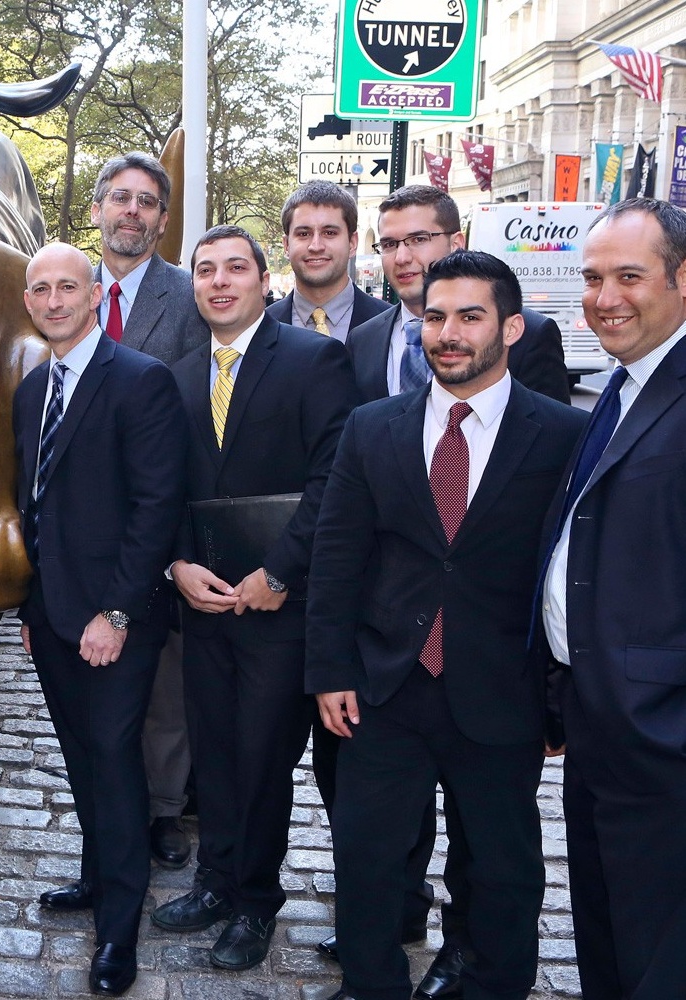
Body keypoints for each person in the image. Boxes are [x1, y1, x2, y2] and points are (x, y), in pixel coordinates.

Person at [307, 250, 586, 1000]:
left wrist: (558, 698)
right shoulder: (372, 428)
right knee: (366, 860)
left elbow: (568, 575)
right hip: (384, 687)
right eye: (435, 317)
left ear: (512, 327)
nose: (449, 333)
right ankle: (372, 985)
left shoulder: (561, 435)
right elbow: (338, 555)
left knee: (502, 866)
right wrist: (330, 669)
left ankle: (491, 983)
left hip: (500, 690)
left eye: (469, 316)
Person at [150, 225, 358, 972]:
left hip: (280, 606)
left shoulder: (314, 360)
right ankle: (214, 882)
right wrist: (175, 562)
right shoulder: (172, 377)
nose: (219, 281)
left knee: (264, 758)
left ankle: (254, 903)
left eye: (236, 268)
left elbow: (333, 484)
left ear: (264, 281)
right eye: (205, 270)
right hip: (204, 603)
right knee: (215, 752)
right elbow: (165, 487)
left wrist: (278, 575)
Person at [17, 242, 186, 996]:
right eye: (40, 289)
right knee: (82, 756)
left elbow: (156, 510)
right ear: (29, 301)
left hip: (117, 619)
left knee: (116, 765)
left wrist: (115, 613)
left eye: (66, 287)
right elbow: (33, 508)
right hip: (52, 616)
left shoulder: (140, 382)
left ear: (93, 295)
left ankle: (119, 930)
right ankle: (95, 876)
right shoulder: (31, 390)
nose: (53, 300)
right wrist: (30, 608)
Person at [540, 197, 686, 1000]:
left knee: (659, 952)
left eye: (629, 276)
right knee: (606, 932)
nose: (606, 297)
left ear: (682, 278)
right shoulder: (620, 386)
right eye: (593, 278)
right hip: (598, 718)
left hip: (662, 736)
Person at [88, 151, 207, 869]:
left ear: (163, 220)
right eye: (120, 198)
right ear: (98, 208)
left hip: (159, 521)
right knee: (95, 682)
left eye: (146, 202)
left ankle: (163, 807)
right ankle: (106, 804)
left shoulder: (191, 299)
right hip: (80, 525)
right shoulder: (57, 289)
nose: (131, 211)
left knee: (164, 682)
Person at [347, 184, 570, 406]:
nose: (401, 257)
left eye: (418, 239)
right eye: (389, 244)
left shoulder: (531, 334)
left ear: (456, 244)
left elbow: (551, 431)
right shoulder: (363, 339)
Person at [266, 180, 390, 343]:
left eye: (329, 233)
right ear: (287, 245)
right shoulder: (260, 327)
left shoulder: (390, 325)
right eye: (304, 234)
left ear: (352, 243)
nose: (316, 246)